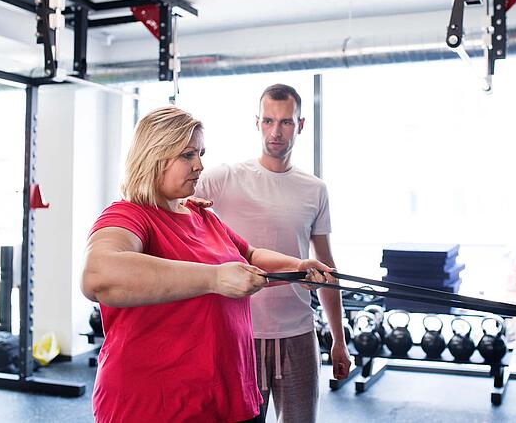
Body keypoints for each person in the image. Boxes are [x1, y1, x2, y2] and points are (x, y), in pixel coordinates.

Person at [81, 106, 334, 423]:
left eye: (200, 153)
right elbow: (98, 276)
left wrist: (299, 268)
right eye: (188, 155)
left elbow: (250, 256)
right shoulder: (129, 216)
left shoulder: (201, 215)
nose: (200, 165)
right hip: (160, 405)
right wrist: (214, 279)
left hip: (230, 396)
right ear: (154, 157)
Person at [196, 83, 351, 423]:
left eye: (285, 122)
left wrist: (339, 339)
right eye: (268, 121)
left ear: (300, 125)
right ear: (257, 123)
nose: (275, 131)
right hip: (240, 332)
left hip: (297, 331)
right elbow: (174, 199)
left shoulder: (315, 189)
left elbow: (325, 267)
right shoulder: (223, 178)